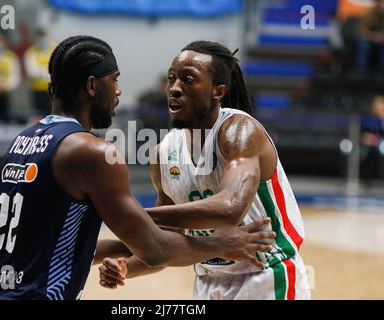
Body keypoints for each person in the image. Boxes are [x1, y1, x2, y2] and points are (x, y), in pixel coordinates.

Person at [0, 36, 275, 300]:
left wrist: (129, 247)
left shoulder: (23, 140)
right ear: (92, 85)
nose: (118, 91)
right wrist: (219, 244)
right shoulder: (92, 152)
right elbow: (155, 245)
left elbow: (61, 243)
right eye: (114, 79)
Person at [98, 41, 311, 300]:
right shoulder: (164, 153)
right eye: (171, 79)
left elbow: (230, 208)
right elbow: (165, 242)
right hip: (208, 282)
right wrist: (125, 268)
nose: (175, 88)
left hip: (267, 275)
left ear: (217, 91)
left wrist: (136, 215)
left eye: (188, 80)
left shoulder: (239, 132)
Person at [24, 29, 56, 117]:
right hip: (37, 89)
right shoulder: (31, 52)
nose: (42, 39)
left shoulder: (53, 50)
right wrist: (47, 72)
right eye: (39, 37)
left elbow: (57, 68)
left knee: (52, 114)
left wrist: (41, 71)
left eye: (43, 36)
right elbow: (32, 72)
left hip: (52, 90)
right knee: (38, 115)